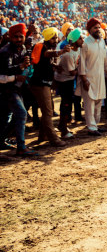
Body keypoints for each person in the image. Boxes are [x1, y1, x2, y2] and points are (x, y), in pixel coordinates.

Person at [29, 27, 71, 147]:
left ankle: (43, 135)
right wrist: (60, 52)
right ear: (48, 38)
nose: (56, 40)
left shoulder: (45, 46)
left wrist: (54, 66)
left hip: (43, 83)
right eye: (53, 38)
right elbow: (47, 54)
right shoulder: (42, 46)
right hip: (40, 84)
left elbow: (44, 60)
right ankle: (54, 139)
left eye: (56, 37)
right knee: (48, 111)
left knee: (48, 109)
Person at [0, 23, 37, 156]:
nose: (18, 39)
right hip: (7, 89)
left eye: (20, 37)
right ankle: (21, 146)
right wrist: (20, 68)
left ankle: (1, 141)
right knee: (20, 114)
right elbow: (5, 70)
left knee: (6, 117)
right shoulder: (5, 52)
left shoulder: (21, 48)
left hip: (17, 88)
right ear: (10, 37)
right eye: (15, 37)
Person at [77, 19, 107, 136]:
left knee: (98, 101)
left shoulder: (102, 42)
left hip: (100, 77)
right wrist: (84, 79)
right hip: (89, 78)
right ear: (89, 30)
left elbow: (105, 60)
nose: (98, 30)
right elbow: (81, 63)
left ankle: (95, 125)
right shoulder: (85, 43)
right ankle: (91, 128)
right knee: (89, 103)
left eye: (99, 27)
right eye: (95, 28)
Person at [54, 27, 83, 139]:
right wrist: (82, 70)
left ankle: (62, 126)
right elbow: (72, 72)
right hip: (64, 81)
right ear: (75, 41)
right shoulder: (69, 54)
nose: (82, 40)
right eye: (80, 38)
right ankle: (63, 129)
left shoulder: (78, 50)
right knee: (66, 104)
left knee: (67, 103)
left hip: (69, 80)